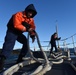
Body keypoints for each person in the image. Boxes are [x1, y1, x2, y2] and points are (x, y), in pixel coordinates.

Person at [0, 4, 37, 71]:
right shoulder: (18, 14)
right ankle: (1, 64)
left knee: (26, 43)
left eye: (32, 13)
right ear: (27, 11)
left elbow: (32, 27)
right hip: (12, 31)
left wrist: (32, 35)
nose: (30, 14)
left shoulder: (31, 20)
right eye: (30, 12)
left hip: (19, 33)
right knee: (9, 44)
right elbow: (16, 25)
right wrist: (26, 29)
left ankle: (20, 60)